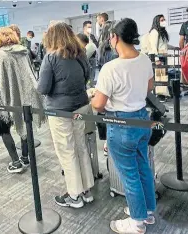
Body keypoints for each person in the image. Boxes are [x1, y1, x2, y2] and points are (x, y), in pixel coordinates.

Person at [92, 18, 155, 234]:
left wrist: (95, 97)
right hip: (142, 119)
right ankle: (147, 213)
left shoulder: (111, 68)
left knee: (129, 174)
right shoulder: (145, 59)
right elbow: (149, 87)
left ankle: (136, 223)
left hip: (121, 124)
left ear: (115, 37)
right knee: (142, 166)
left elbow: (99, 105)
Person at [38, 22, 94, 208]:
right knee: (81, 147)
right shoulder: (80, 54)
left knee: (66, 151)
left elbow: (43, 88)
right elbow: (87, 76)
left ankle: (74, 195)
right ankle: (87, 190)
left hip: (59, 110)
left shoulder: (51, 57)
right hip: (81, 107)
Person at [0, 27, 45, 173]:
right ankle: (25, 157)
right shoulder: (23, 51)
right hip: (25, 95)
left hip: (5, 97)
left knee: (4, 128)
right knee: (25, 124)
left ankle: (15, 162)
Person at [149, 14, 170, 102]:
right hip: (158, 56)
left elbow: (164, 44)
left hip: (163, 55)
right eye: (162, 20)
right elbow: (153, 47)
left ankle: (164, 94)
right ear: (157, 21)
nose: (164, 21)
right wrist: (156, 59)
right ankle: (160, 95)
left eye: (164, 19)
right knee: (160, 76)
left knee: (163, 75)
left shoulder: (162, 32)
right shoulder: (154, 32)